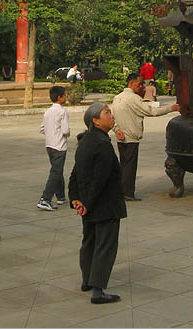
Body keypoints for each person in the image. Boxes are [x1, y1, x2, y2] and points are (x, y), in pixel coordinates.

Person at [68, 103, 126, 305]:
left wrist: (75, 198)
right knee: (104, 246)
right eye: (107, 113)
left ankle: (87, 280)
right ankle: (98, 290)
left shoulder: (85, 142)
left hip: (89, 204)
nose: (111, 116)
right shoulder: (102, 145)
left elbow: (75, 174)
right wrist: (87, 204)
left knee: (90, 242)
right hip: (104, 204)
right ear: (95, 120)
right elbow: (99, 180)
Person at [111, 73, 171, 201]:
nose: (142, 86)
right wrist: (171, 108)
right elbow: (151, 111)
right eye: (140, 83)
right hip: (131, 136)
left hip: (121, 136)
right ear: (131, 83)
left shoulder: (117, 98)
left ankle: (122, 191)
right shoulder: (133, 99)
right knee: (130, 167)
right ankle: (128, 193)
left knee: (124, 165)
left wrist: (116, 129)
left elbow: (112, 117)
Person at [37, 85, 70, 211]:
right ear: (59, 97)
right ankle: (45, 198)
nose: (66, 97)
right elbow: (65, 130)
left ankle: (60, 196)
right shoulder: (62, 111)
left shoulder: (48, 111)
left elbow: (42, 128)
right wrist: (66, 133)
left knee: (57, 170)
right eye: (65, 95)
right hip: (59, 145)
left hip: (49, 144)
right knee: (56, 172)